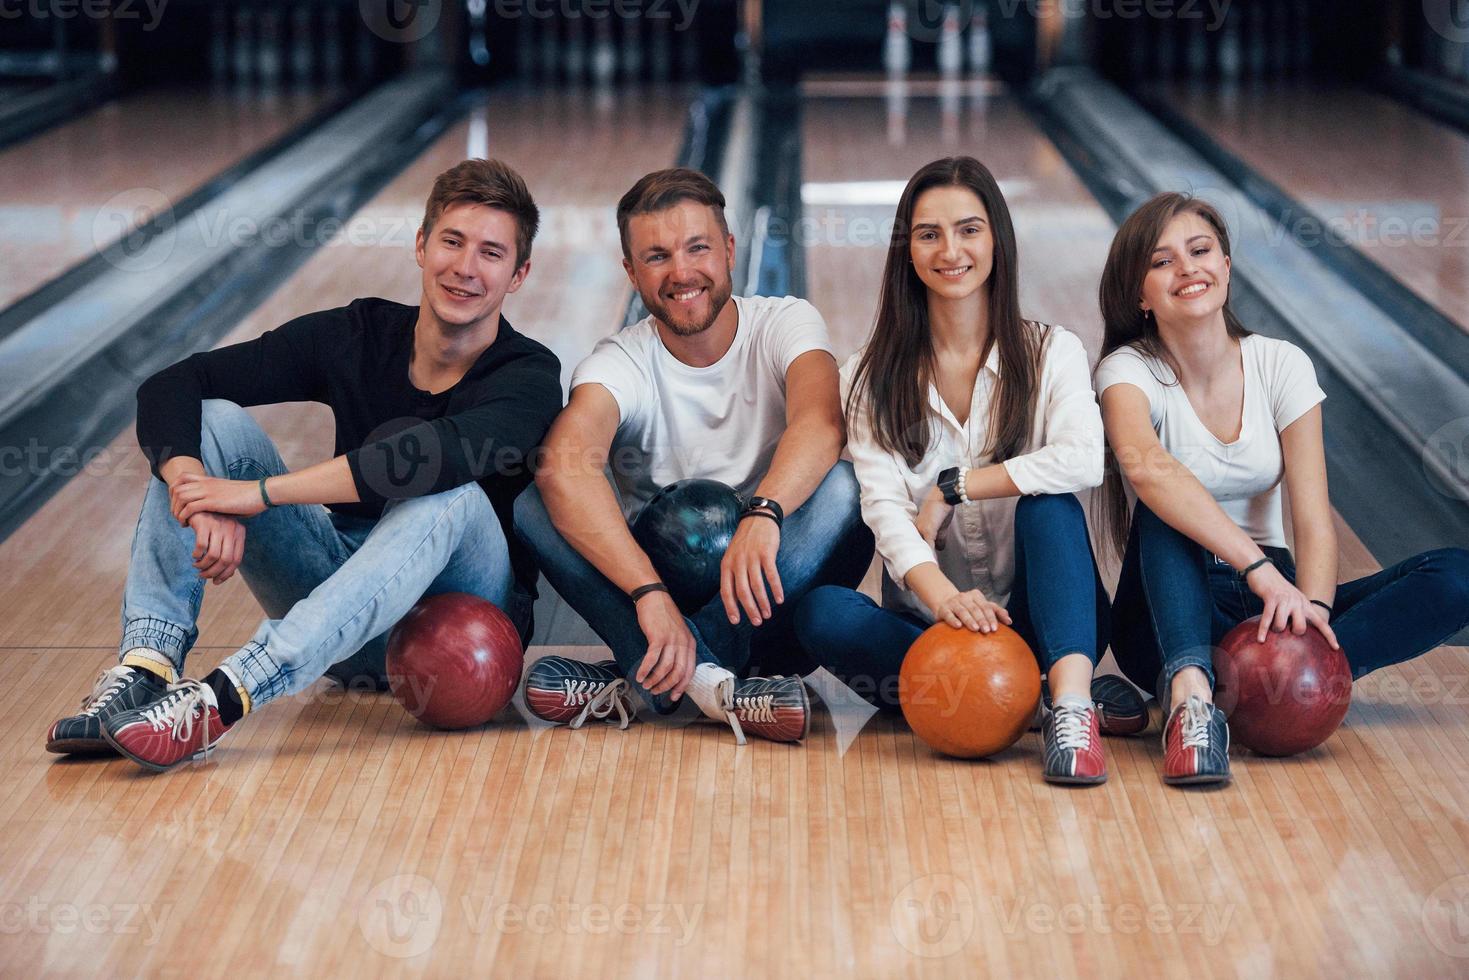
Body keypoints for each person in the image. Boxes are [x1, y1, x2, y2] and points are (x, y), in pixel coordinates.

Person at [45, 158, 563, 772]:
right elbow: (176, 382)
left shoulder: (529, 376)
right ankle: (146, 669)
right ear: (421, 246)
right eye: (452, 241)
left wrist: (257, 495)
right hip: (340, 630)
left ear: (520, 274)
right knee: (210, 422)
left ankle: (226, 695)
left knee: (449, 493)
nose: (466, 268)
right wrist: (195, 489)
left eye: (491, 253)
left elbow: (424, 460)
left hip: (450, 635)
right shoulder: (358, 333)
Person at [1094, 191, 1469, 787]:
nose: (1188, 267)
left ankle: (1291, 680)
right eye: (1162, 261)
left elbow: (1312, 515)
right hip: (1166, 615)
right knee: (1171, 499)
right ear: (1139, 295)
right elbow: (1147, 471)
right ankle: (1192, 695)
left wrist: (1311, 618)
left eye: (1201, 250)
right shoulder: (1128, 372)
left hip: (1272, 605)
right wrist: (1257, 571)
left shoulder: (1281, 364)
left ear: (1226, 266)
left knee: (1456, 575)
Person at [793, 156, 1144, 786]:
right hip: (932, 629)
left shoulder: (1049, 352)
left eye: (968, 229)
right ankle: (1030, 700)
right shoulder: (868, 378)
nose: (949, 250)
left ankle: (1064, 708)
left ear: (997, 241)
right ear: (907, 250)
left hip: (1046, 620)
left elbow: (1085, 458)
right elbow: (884, 510)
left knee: (1049, 501)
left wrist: (953, 485)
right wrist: (946, 600)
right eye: (928, 234)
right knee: (822, 612)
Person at [515, 167, 872, 744]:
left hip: (778, 597)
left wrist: (764, 513)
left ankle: (644, 681)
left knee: (845, 486)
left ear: (729, 250)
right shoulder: (619, 361)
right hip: (662, 605)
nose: (682, 272)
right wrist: (650, 594)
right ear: (631, 273)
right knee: (536, 497)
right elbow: (565, 462)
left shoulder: (785, 322)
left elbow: (821, 424)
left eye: (697, 248)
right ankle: (717, 687)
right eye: (656, 256)